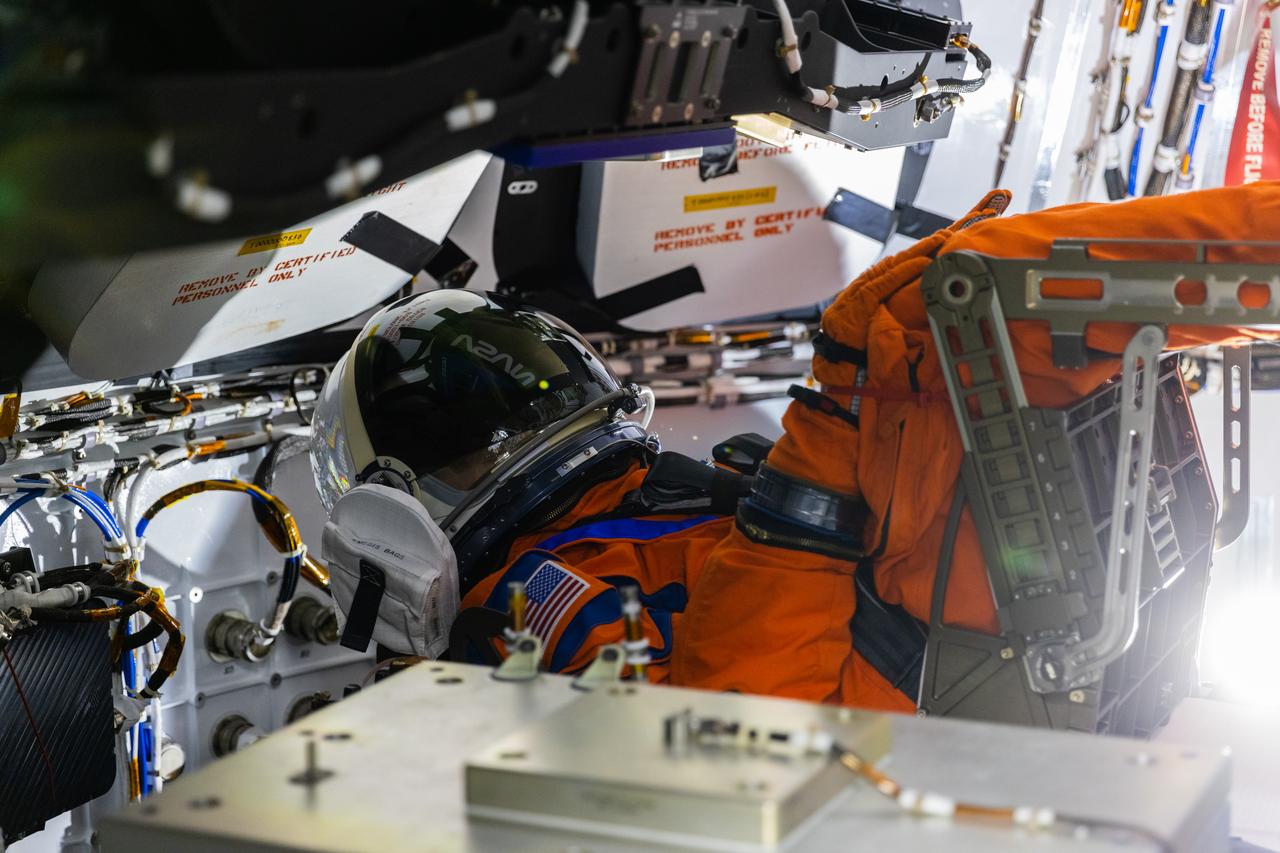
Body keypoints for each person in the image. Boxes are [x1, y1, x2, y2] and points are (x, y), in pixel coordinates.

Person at [311, 181, 1280, 713]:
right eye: (470, 436)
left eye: (531, 393)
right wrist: (806, 485)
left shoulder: (640, 512)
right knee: (930, 306)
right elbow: (733, 735)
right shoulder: (532, 600)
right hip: (898, 699)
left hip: (955, 666)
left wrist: (791, 494)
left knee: (941, 303)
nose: (524, 424)